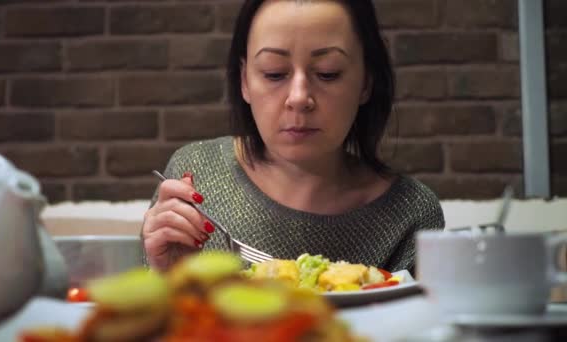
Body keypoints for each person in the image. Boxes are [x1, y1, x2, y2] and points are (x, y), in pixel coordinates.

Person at [141, 0, 444, 274]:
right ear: (245, 80)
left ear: (366, 82)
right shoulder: (195, 173)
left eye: (327, 73)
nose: (299, 98)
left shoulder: (410, 213)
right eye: (274, 73)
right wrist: (166, 277)